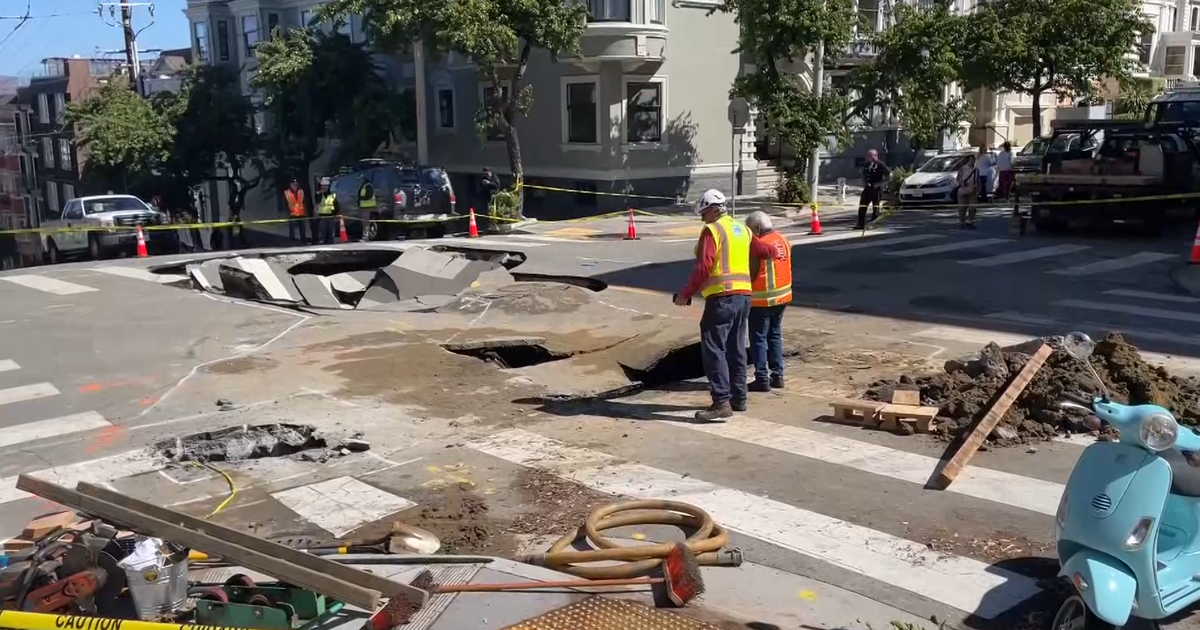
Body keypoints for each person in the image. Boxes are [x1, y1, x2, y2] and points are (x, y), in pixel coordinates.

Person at [675, 189, 776, 422]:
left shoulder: (713, 230)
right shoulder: (743, 230)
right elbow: (764, 251)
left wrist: (685, 293)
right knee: (736, 347)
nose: (702, 218)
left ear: (711, 210)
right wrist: (777, 248)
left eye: (703, 213)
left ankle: (721, 401)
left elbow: (703, 268)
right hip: (744, 298)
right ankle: (739, 398)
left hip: (722, 298)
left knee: (713, 348)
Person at [744, 211, 792, 392]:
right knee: (775, 335)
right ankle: (778, 376)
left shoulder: (759, 244)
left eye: (750, 231)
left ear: (757, 228)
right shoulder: (782, 239)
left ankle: (762, 379)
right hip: (782, 297)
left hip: (762, 299)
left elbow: (753, 272)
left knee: (758, 339)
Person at [856, 149, 890, 230]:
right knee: (862, 205)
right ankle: (860, 224)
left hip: (876, 188)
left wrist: (880, 183)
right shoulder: (867, 164)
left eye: (869, 156)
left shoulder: (880, 164)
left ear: (875, 156)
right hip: (868, 188)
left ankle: (874, 224)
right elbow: (864, 174)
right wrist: (864, 182)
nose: (867, 157)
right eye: (867, 155)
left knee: (876, 207)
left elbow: (890, 175)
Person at [956, 154, 979, 229]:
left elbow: (978, 180)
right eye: (970, 160)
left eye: (973, 160)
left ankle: (970, 222)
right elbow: (957, 179)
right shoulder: (963, 169)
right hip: (963, 191)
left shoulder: (976, 170)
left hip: (972, 191)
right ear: (968, 160)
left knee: (973, 207)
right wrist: (961, 183)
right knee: (962, 207)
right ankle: (962, 222)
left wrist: (977, 187)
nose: (972, 161)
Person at [314, 177, 339, 244]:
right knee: (323, 235)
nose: (324, 187)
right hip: (322, 217)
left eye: (326, 186)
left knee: (331, 235)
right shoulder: (318, 194)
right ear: (321, 186)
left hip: (331, 217)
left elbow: (336, 205)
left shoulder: (332, 194)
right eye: (323, 186)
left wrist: (336, 214)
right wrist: (320, 193)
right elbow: (317, 201)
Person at [283, 179, 308, 244]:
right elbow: (285, 204)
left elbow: (304, 202)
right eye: (294, 185)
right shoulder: (287, 193)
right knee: (292, 230)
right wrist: (287, 212)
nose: (295, 186)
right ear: (290, 185)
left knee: (303, 229)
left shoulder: (301, 192)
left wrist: (305, 211)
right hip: (292, 214)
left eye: (296, 185)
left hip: (301, 214)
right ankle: (292, 243)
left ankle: (303, 242)